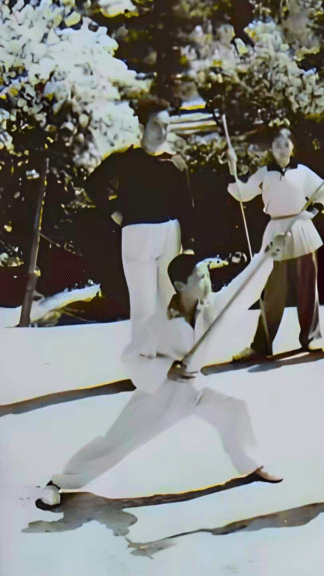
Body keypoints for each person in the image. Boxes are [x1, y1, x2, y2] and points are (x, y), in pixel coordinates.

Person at [36, 237, 289, 511]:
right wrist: (166, 369)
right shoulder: (158, 322)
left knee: (233, 409)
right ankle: (59, 482)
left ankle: (253, 466)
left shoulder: (210, 307)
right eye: (200, 278)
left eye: (207, 275)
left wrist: (266, 257)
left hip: (194, 388)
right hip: (160, 396)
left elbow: (241, 290)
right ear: (180, 286)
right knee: (116, 443)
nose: (208, 282)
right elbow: (132, 360)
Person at [84, 97, 194, 357]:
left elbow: (187, 208)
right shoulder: (125, 159)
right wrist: (113, 211)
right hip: (136, 235)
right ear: (142, 126)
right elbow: (93, 184)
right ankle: (142, 360)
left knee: (169, 297)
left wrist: (189, 246)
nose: (162, 132)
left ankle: (173, 354)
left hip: (170, 233)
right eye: (156, 125)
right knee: (143, 302)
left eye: (166, 126)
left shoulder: (176, 163)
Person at [227, 127, 324, 360]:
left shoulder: (302, 172)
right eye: (277, 145)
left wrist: (313, 212)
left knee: (308, 287)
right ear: (271, 149)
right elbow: (243, 192)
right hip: (276, 231)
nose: (282, 149)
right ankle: (261, 345)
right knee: (273, 290)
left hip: (302, 228)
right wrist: (232, 169)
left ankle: (311, 337)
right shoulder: (264, 173)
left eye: (286, 144)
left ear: (293, 146)